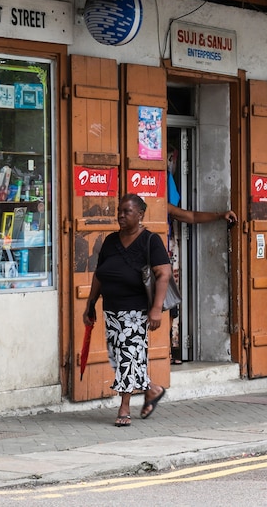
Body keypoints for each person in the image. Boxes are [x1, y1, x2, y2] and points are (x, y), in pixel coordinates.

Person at [83, 193, 169, 427]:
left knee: (128, 357)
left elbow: (163, 274)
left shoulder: (150, 241)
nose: (120, 215)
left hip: (136, 310)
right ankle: (152, 389)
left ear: (140, 214)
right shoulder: (110, 241)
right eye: (119, 211)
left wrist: (156, 309)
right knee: (120, 357)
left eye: (126, 211)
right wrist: (90, 304)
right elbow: (99, 275)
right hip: (111, 310)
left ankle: (124, 407)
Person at [165, 163, 236, 364]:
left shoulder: (165, 206)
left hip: (162, 260)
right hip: (144, 263)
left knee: (169, 305)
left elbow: (192, 216)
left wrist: (221, 215)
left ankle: (167, 352)